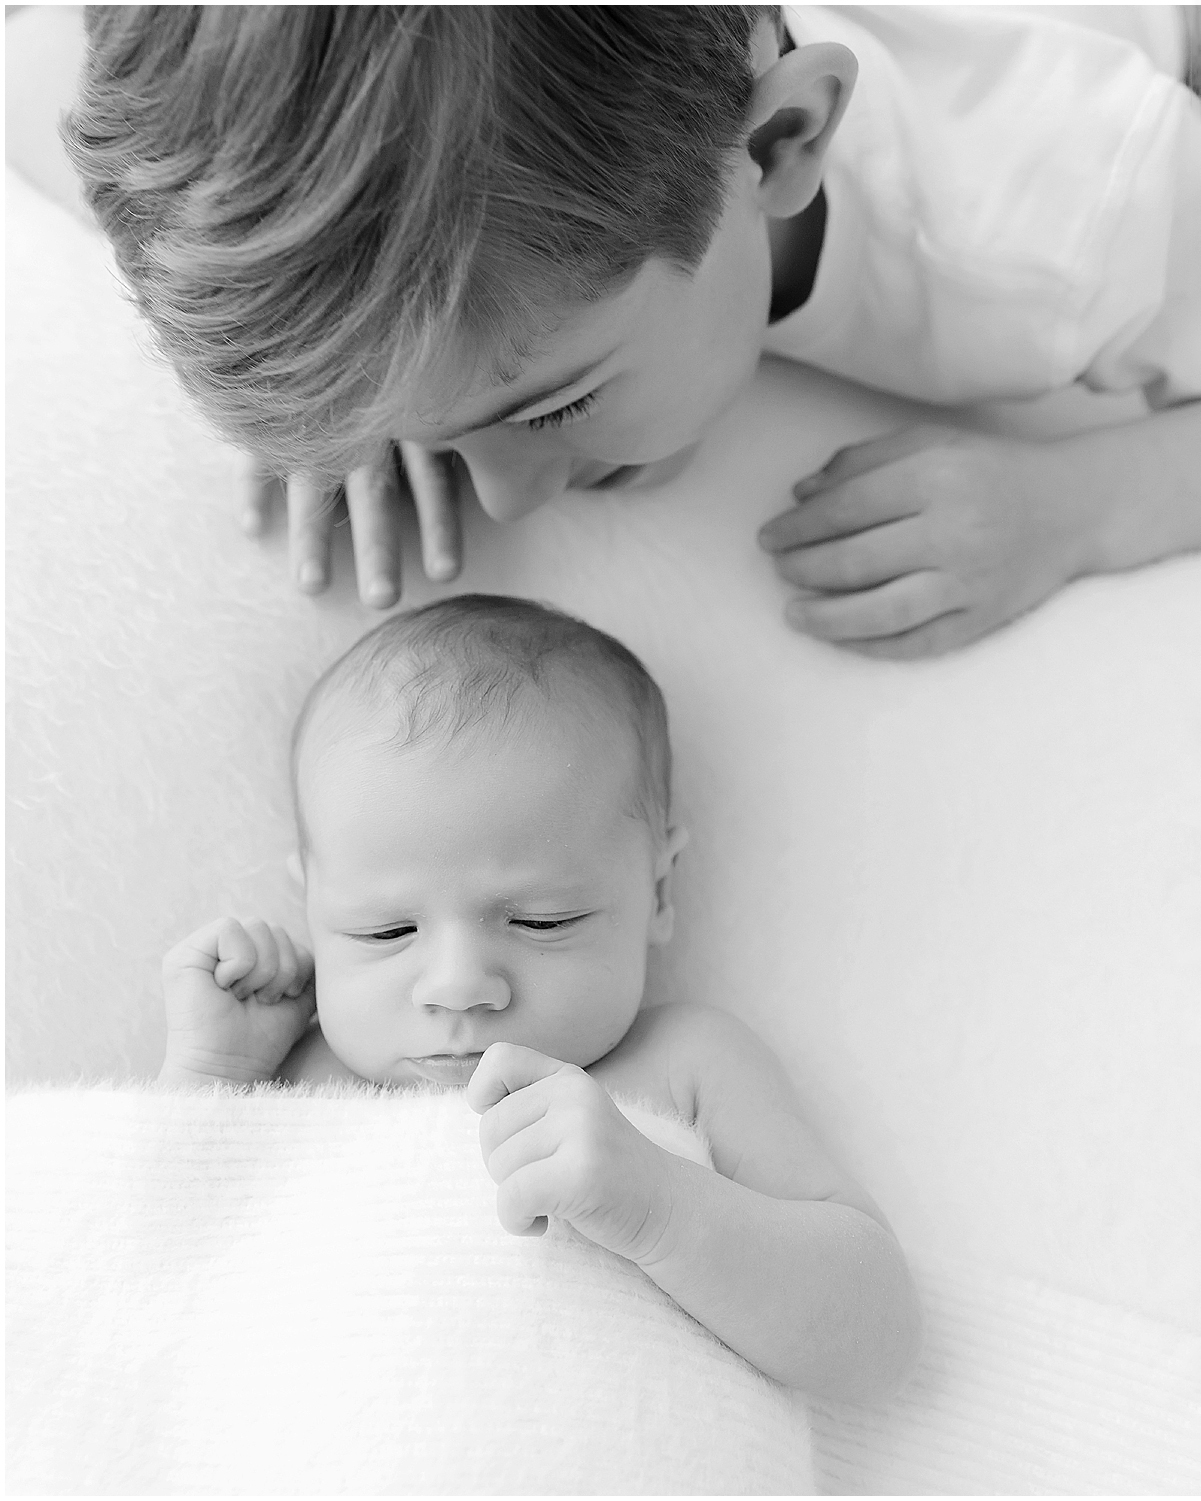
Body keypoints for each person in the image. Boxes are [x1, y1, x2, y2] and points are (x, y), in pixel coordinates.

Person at [157, 593, 923, 1400]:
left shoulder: (684, 1065)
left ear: (657, 890)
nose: (457, 984)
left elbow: (875, 1337)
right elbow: (148, 1281)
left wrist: (660, 1207)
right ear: (310, 902)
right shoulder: (297, 1078)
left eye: (540, 920)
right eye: (385, 930)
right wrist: (209, 1078)